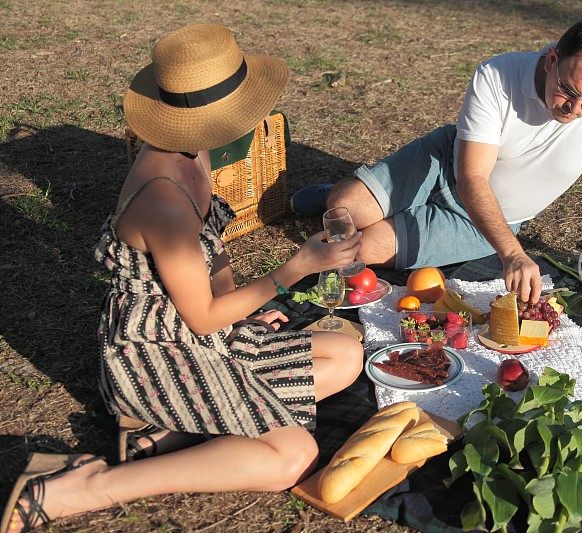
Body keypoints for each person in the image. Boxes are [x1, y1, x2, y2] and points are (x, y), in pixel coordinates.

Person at [1, 23, 364, 533]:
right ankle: (86, 487)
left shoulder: (193, 150)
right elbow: (200, 317)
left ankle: (167, 435)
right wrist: (293, 271)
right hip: (156, 351)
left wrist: (247, 304)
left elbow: (211, 256)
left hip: (196, 325)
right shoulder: (163, 198)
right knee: (293, 454)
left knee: (346, 356)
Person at [292, 20, 582, 308]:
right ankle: (332, 192)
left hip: (488, 218)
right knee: (344, 206)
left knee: (363, 247)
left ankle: (369, 206)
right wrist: (513, 256)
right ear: (552, 58)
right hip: (447, 162)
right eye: (568, 91)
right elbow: (471, 175)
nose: (574, 108)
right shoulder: (497, 74)